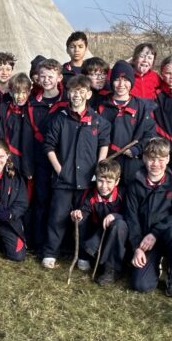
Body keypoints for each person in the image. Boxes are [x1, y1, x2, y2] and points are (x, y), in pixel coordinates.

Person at [42, 75, 111, 269]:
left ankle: (82, 255)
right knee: (58, 216)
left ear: (88, 94)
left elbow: (103, 146)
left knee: (83, 220)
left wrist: (99, 171)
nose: (77, 95)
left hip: (87, 182)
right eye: (73, 91)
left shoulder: (99, 122)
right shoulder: (59, 119)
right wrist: (59, 170)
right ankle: (50, 252)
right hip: (63, 181)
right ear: (68, 93)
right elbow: (48, 146)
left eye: (81, 91)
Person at [125, 138, 172, 296]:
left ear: (167, 159)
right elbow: (131, 218)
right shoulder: (134, 184)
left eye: (161, 159)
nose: (156, 164)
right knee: (140, 285)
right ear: (144, 158)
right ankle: (155, 264)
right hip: (144, 241)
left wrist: (155, 233)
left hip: (164, 236)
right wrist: (137, 248)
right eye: (152, 159)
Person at [97, 60, 156, 185]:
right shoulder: (101, 105)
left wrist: (136, 149)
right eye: (117, 79)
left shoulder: (141, 106)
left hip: (132, 165)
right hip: (107, 165)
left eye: (126, 80)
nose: (121, 84)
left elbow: (149, 134)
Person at [26, 58, 64, 252]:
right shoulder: (33, 104)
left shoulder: (66, 102)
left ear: (59, 77)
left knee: (59, 203)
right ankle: (39, 243)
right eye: (43, 76)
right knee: (40, 200)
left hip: (62, 159)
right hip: (41, 159)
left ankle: (57, 244)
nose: (47, 80)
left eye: (51, 76)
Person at [75, 158, 128, 285]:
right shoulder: (91, 194)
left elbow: (131, 215)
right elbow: (85, 211)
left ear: (117, 182)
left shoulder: (123, 194)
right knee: (81, 221)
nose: (104, 186)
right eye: (100, 181)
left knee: (118, 225)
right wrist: (78, 214)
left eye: (109, 182)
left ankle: (112, 269)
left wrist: (115, 216)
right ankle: (86, 256)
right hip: (98, 234)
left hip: (119, 236)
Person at [0, 72, 34, 175]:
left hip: (24, 161)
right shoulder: (2, 109)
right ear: (10, 92)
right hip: (4, 158)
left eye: (24, 92)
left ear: (29, 92)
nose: (20, 96)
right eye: (17, 92)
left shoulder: (31, 111)